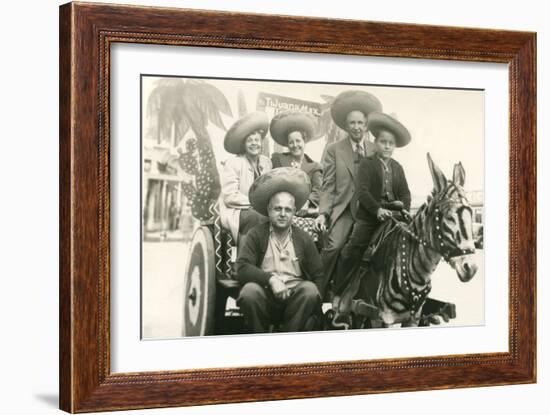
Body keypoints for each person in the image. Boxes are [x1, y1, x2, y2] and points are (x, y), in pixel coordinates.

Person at [235, 167, 324, 333]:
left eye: (288, 209)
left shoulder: (304, 238)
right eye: (277, 209)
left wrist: (315, 309)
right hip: (265, 296)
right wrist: (271, 280)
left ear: (294, 213)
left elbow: (318, 273)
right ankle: (259, 342)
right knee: (249, 292)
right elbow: (242, 267)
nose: (283, 214)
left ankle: (288, 341)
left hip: (294, 301)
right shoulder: (256, 234)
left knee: (310, 291)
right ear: (269, 210)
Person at [334, 111, 412, 297]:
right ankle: (339, 293)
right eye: (383, 142)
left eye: (390, 143)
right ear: (375, 143)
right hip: (370, 217)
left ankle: (407, 289)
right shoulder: (367, 164)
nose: (386, 146)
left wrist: (405, 209)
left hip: (395, 216)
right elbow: (362, 191)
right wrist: (377, 209)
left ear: (394, 146)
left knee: (414, 244)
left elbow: (405, 194)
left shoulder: (397, 168)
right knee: (351, 250)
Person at [314, 90, 382, 298]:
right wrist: (323, 213)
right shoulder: (334, 150)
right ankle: (318, 293)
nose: (357, 127)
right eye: (352, 123)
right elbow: (328, 185)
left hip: (369, 212)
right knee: (334, 248)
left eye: (360, 123)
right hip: (344, 210)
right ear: (346, 125)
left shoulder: (375, 149)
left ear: (366, 125)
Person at [219, 111, 272, 245]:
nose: (254, 144)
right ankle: (245, 261)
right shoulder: (234, 163)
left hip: (260, 209)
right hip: (236, 211)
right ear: (243, 144)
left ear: (261, 143)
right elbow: (230, 197)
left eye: (257, 140)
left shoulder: (266, 163)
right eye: (250, 140)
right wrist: (256, 205)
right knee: (256, 218)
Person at [269, 111, 323, 217]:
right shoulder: (277, 159)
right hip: (281, 209)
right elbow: (272, 185)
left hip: (304, 211)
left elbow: (318, 190)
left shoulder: (314, 166)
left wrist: (307, 203)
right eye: (291, 142)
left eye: (298, 141)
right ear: (287, 144)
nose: (295, 145)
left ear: (304, 141)